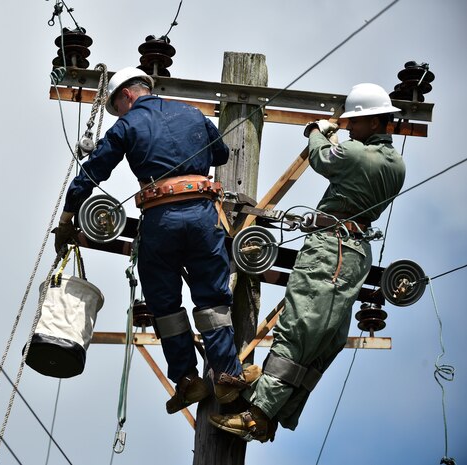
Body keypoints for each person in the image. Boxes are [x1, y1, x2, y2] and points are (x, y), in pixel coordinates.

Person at [54, 67, 260, 415]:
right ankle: (227, 377)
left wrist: (68, 214)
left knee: (166, 307)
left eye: (117, 107)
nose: (119, 114)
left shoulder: (128, 125)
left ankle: (186, 381)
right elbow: (222, 154)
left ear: (127, 96)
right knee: (212, 301)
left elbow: (94, 170)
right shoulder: (192, 113)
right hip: (202, 217)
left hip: (160, 221)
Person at [209, 83, 407, 441]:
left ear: (376, 123)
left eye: (356, 122)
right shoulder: (397, 165)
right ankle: (272, 411)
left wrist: (316, 130)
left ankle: (258, 414)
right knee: (325, 340)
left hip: (332, 248)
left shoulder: (358, 155)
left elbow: (322, 157)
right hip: (355, 252)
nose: (348, 127)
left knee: (302, 327)